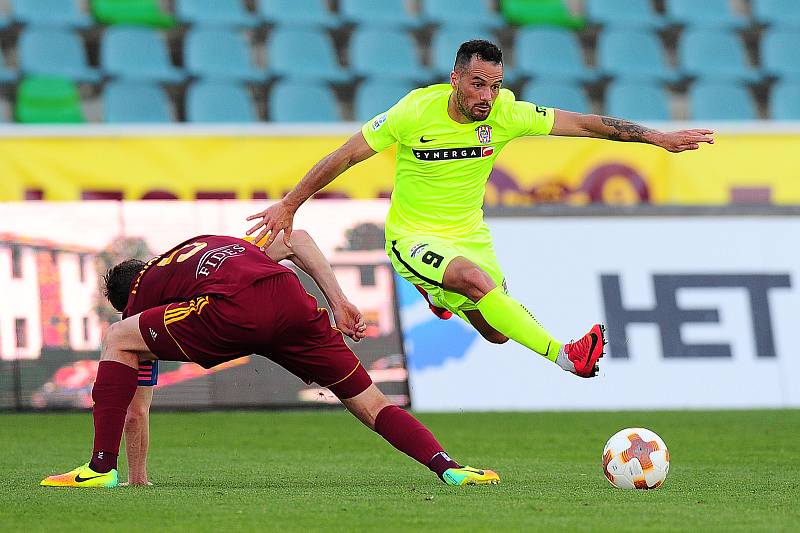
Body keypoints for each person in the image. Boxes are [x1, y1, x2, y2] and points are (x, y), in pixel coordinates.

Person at [246, 40, 715, 379]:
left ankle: (440, 296)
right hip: (413, 236)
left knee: (496, 333)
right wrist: (290, 205)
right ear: (455, 80)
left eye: (494, 85)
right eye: (477, 84)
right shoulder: (413, 112)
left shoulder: (505, 114)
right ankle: (567, 354)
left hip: (470, 235)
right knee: (475, 281)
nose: (486, 96)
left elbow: (586, 124)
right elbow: (346, 155)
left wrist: (659, 138)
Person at [41, 230, 499, 488]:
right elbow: (297, 239)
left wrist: (135, 478)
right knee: (373, 404)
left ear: (127, 294)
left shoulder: (140, 298)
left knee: (117, 339)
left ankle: (99, 469)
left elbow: (136, 406)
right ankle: (449, 467)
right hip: (293, 304)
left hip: (236, 311)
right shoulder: (205, 247)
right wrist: (337, 301)